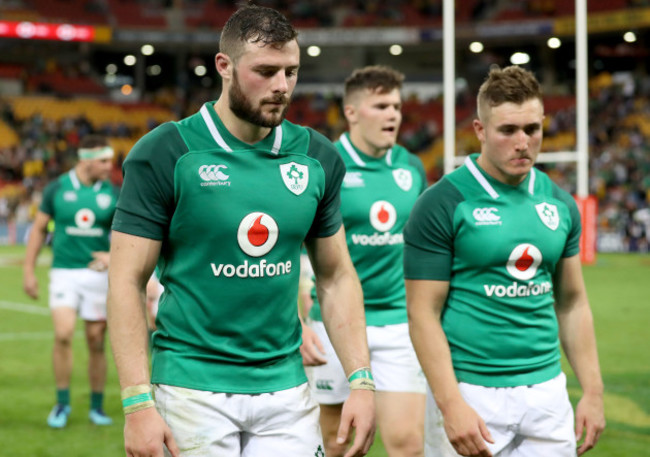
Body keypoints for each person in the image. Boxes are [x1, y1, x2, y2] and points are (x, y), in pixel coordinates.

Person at [107, 5, 375, 457]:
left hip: (288, 391)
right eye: (266, 72)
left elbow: (336, 275)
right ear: (224, 67)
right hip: (191, 388)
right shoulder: (166, 151)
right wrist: (136, 402)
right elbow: (126, 279)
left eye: (291, 72)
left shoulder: (317, 157)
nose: (282, 87)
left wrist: (362, 380)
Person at [403, 65, 606, 457]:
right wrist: (451, 404)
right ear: (479, 130)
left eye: (532, 129)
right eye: (508, 130)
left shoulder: (560, 203)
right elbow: (422, 314)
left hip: (546, 392)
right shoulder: (441, 203)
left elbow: (573, 302)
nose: (523, 142)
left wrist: (593, 392)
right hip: (471, 391)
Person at [303, 65, 428, 457]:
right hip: (336, 323)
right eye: (381, 105)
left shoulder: (412, 167)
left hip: (397, 323)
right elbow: (290, 249)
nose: (393, 114)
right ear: (352, 112)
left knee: (408, 443)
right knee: (338, 444)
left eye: (396, 106)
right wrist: (300, 321)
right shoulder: (325, 165)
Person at [23, 134, 118, 428]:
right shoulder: (57, 189)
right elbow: (39, 230)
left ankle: (97, 407)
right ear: (86, 159)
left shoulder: (113, 192)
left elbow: (128, 234)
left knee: (95, 341)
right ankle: (62, 404)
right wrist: (29, 270)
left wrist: (111, 254)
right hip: (64, 272)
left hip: (98, 276)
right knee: (63, 334)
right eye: (103, 160)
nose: (109, 165)